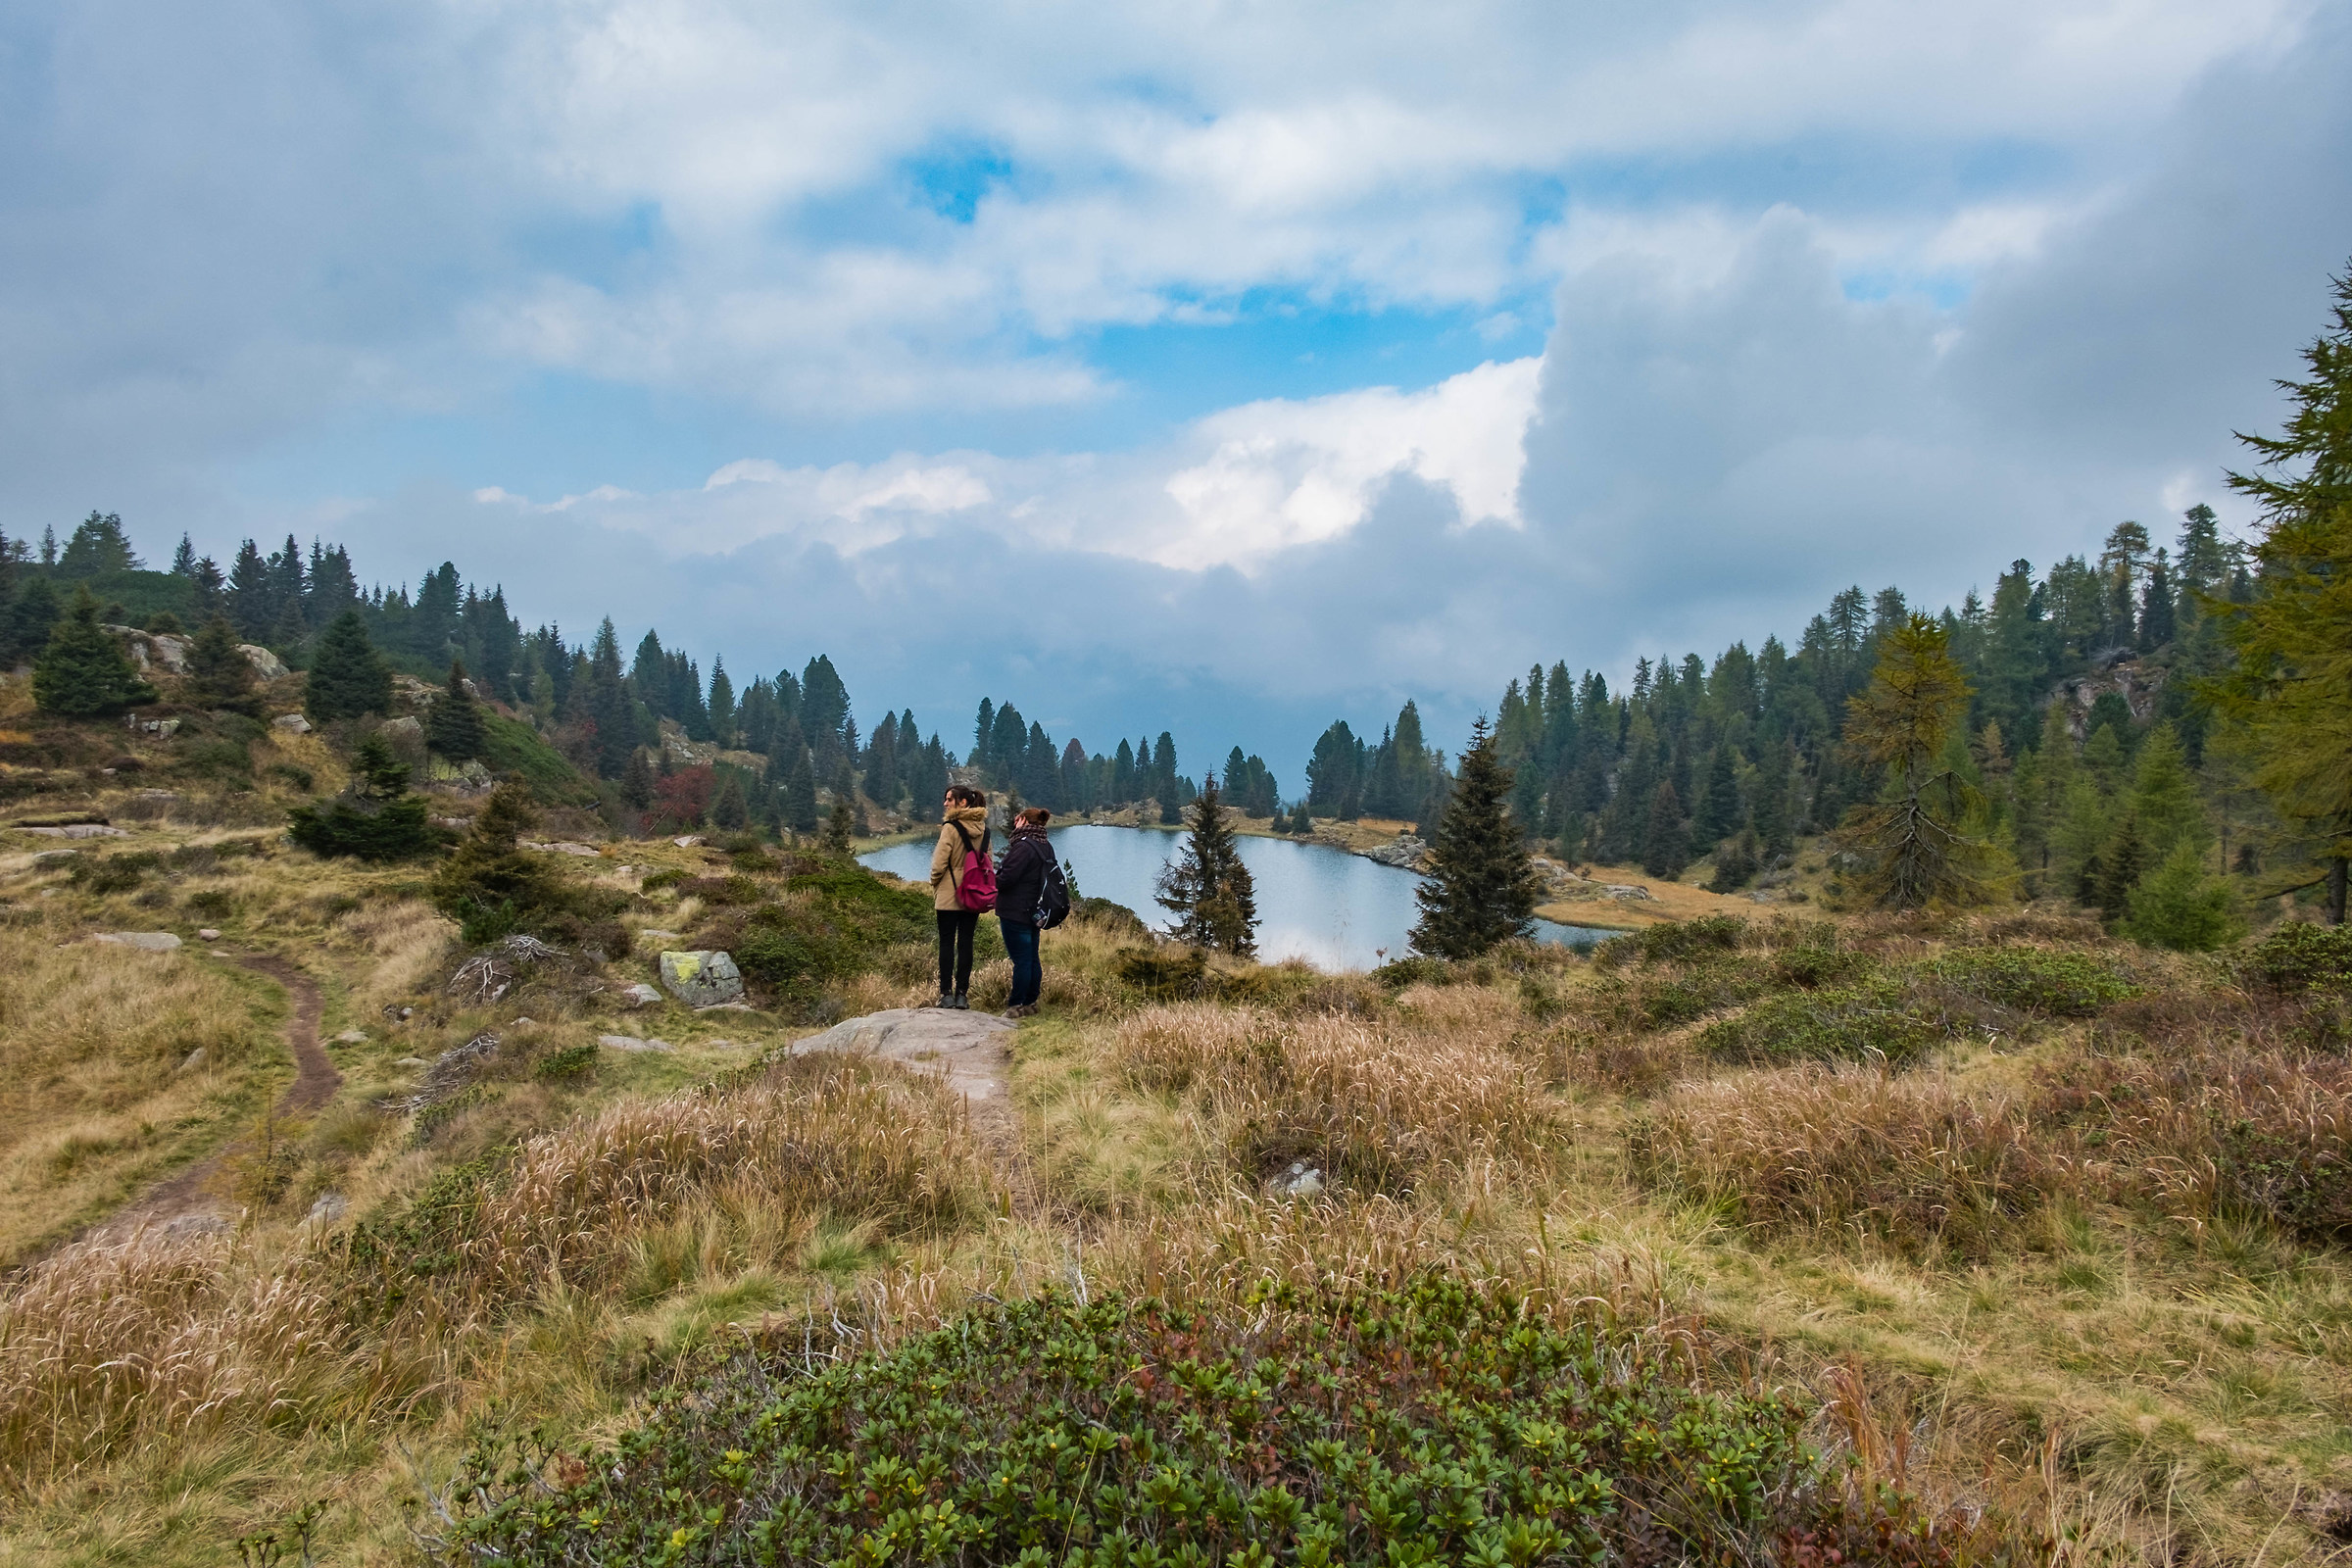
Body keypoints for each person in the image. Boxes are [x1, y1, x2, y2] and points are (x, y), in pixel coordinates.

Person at [994, 807, 1067, 1018]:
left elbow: (1007, 879)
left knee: (1022, 961)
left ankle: (1016, 1005)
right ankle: (1031, 1003)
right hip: (1035, 911)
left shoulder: (1023, 847)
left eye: (1017, 819)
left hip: (1015, 911)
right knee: (1031, 958)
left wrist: (989, 878)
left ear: (1024, 821)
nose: (1014, 822)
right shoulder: (1045, 845)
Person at [929, 784, 991, 1009]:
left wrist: (935, 883)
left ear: (962, 802)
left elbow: (938, 864)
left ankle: (946, 994)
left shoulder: (950, 828)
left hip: (948, 895)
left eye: (949, 799)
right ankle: (962, 995)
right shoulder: (984, 829)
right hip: (973, 895)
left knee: (946, 944)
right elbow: (988, 863)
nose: (945, 803)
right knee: (966, 944)